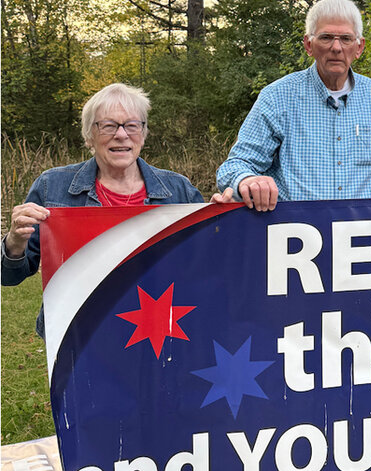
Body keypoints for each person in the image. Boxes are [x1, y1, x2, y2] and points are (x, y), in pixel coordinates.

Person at [1, 83, 231, 338]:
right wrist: (15, 241)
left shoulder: (179, 190)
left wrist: (220, 225)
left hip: (158, 333)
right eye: (108, 125)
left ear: (143, 133)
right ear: (89, 135)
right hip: (80, 337)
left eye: (132, 125)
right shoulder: (52, 187)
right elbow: (9, 276)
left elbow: (206, 268)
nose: (121, 135)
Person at [216, 0, 371, 211]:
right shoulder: (277, 97)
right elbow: (234, 166)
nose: (336, 48)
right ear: (308, 45)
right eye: (326, 37)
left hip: (361, 237)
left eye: (346, 39)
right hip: (295, 235)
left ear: (359, 47)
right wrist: (248, 180)